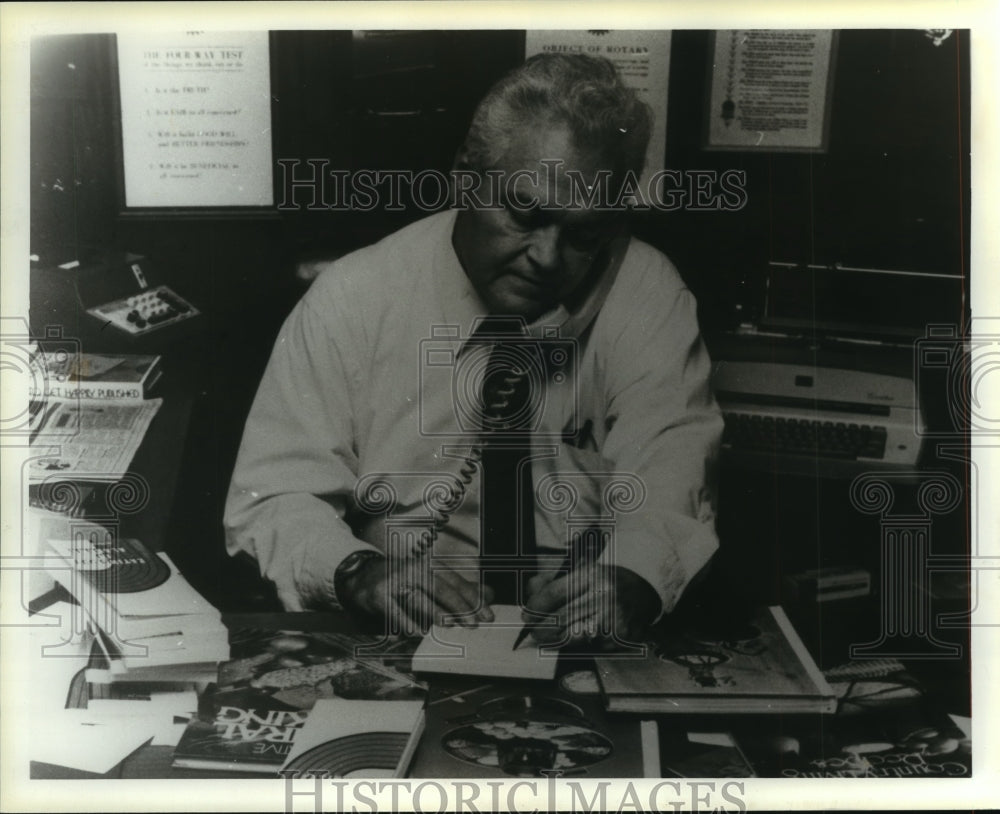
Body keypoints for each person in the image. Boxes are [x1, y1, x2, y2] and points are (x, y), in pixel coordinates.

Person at [224, 53, 723, 648]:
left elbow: (673, 468)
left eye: (584, 234)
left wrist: (636, 574)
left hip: (579, 636)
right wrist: (355, 573)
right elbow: (276, 494)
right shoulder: (355, 296)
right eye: (526, 214)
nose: (547, 257)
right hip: (396, 629)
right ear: (466, 175)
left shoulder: (647, 292)